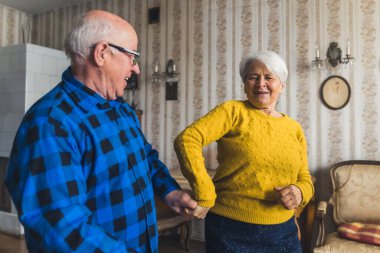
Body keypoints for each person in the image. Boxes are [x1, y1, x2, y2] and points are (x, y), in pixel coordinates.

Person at [5, 10, 197, 253]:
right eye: (133, 56)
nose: (136, 68)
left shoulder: (121, 109)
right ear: (102, 53)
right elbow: (60, 228)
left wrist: (169, 191)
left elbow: (144, 157)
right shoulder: (50, 123)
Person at [174, 50, 314, 253]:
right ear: (245, 84)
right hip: (230, 227)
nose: (261, 84)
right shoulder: (232, 111)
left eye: (269, 77)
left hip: (283, 231)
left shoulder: (294, 128)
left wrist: (300, 192)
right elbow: (187, 139)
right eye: (253, 77)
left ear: (282, 85)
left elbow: (304, 177)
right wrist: (205, 193)